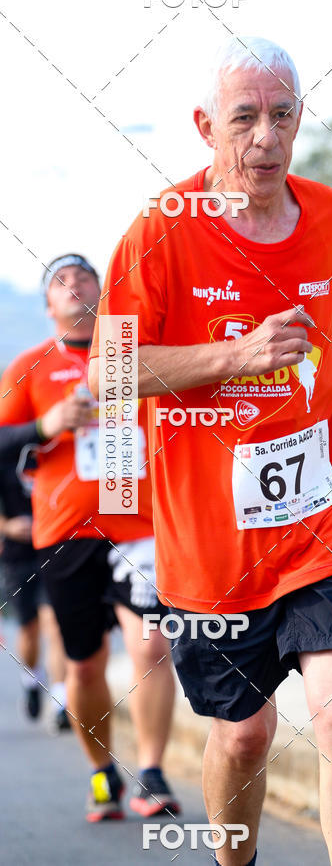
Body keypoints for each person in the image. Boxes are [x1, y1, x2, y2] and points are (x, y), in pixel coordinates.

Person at [89, 37, 332, 865]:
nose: (266, 135)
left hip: (323, 516)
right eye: (245, 118)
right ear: (205, 126)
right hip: (209, 543)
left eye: (282, 115)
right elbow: (110, 370)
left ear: (302, 120)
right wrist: (234, 356)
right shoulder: (161, 230)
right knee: (244, 734)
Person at [0, 253, 179, 821]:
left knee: (151, 645)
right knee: (84, 666)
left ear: (103, 294)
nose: (74, 285)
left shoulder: (137, 357)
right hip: (66, 533)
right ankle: (103, 772)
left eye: (85, 277)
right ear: (48, 305)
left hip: (137, 525)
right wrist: (46, 428)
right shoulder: (31, 367)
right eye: (61, 281)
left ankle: (150, 772)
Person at [0, 449, 69, 730]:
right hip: (17, 555)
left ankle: (60, 702)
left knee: (55, 625)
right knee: (29, 631)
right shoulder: (5, 451)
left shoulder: (56, 446)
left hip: (54, 549)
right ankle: (31, 678)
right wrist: (7, 526)